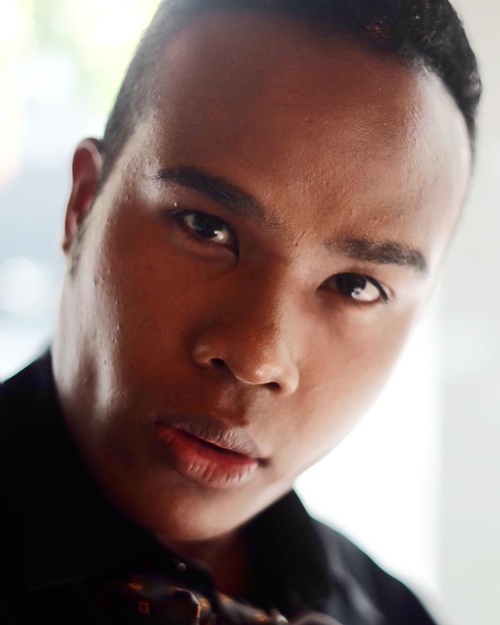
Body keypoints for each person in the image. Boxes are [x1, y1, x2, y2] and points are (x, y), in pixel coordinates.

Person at [0, 0, 481, 623]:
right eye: (206, 228)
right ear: (83, 204)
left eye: (356, 285)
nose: (256, 357)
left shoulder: (393, 614)